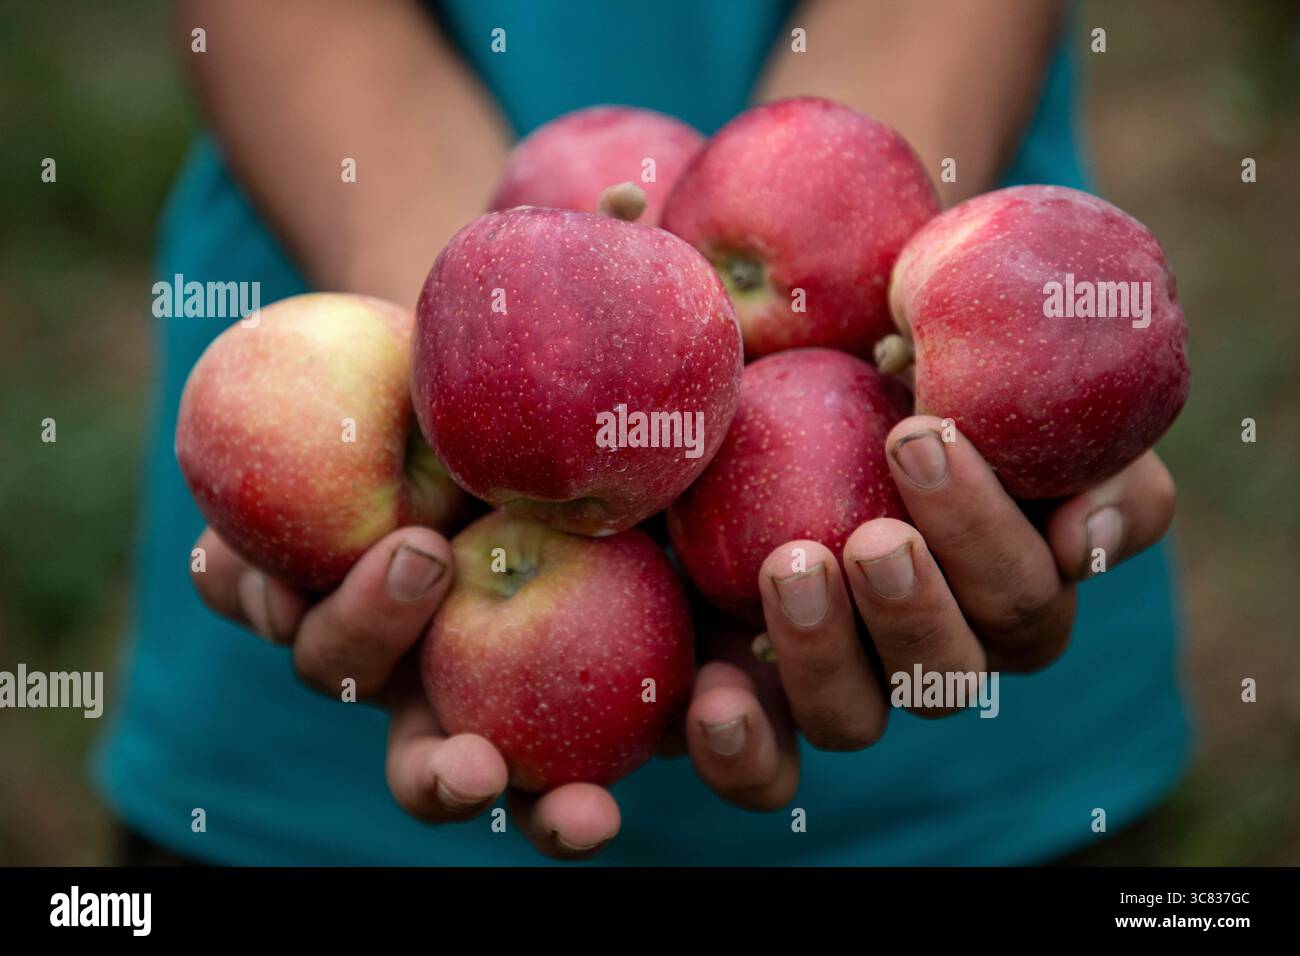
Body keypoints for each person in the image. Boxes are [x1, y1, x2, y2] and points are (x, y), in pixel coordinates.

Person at [94, 0, 1189, 865]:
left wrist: (848, 300)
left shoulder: (919, 374)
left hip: (975, 780)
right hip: (298, 781)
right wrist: (448, 336)